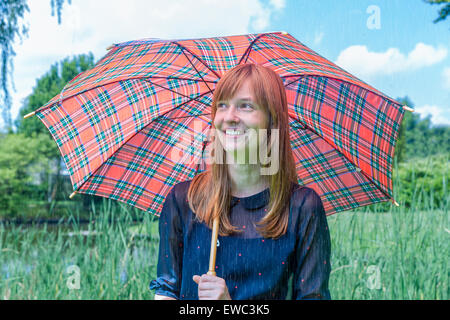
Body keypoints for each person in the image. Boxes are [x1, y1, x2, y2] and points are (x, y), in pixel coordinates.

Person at [150, 63, 331, 300]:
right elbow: (166, 291)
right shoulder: (183, 201)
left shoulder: (302, 208)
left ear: (271, 120)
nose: (229, 117)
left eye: (245, 106)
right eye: (222, 105)